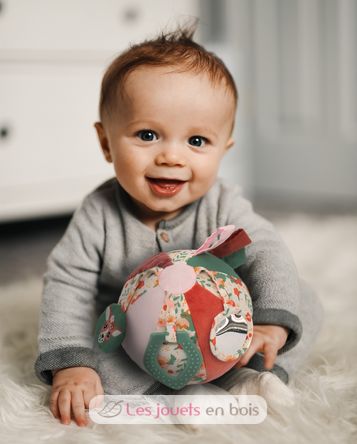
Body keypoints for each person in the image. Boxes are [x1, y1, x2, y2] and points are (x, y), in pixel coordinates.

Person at [34, 24, 323, 427]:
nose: (171, 156)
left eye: (197, 141)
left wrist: (270, 322)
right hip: (138, 338)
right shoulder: (98, 214)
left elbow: (266, 250)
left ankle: (254, 377)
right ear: (106, 143)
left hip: (223, 328)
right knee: (97, 350)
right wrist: (71, 365)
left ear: (224, 149)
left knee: (299, 301)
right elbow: (68, 285)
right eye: (148, 134)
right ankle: (169, 395)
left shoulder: (223, 203)